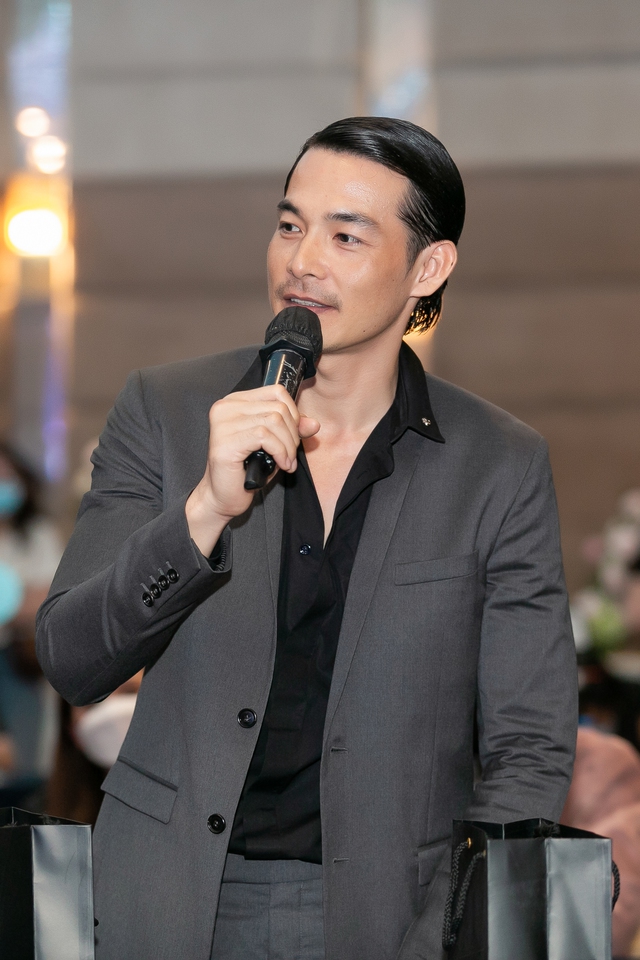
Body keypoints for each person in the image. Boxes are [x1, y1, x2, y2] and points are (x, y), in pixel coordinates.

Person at [36, 118, 577, 960]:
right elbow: (73, 658)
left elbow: (529, 744)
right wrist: (204, 511)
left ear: (428, 268)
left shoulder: (497, 464)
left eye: (346, 235)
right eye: (290, 225)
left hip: (393, 914)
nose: (302, 260)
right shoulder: (167, 412)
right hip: (168, 899)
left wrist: (456, 930)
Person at [0, 441, 62, 806]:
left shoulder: (39, 535)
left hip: (22, 663)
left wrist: (12, 600)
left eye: (7, 477)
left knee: (27, 766)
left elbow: (49, 596)